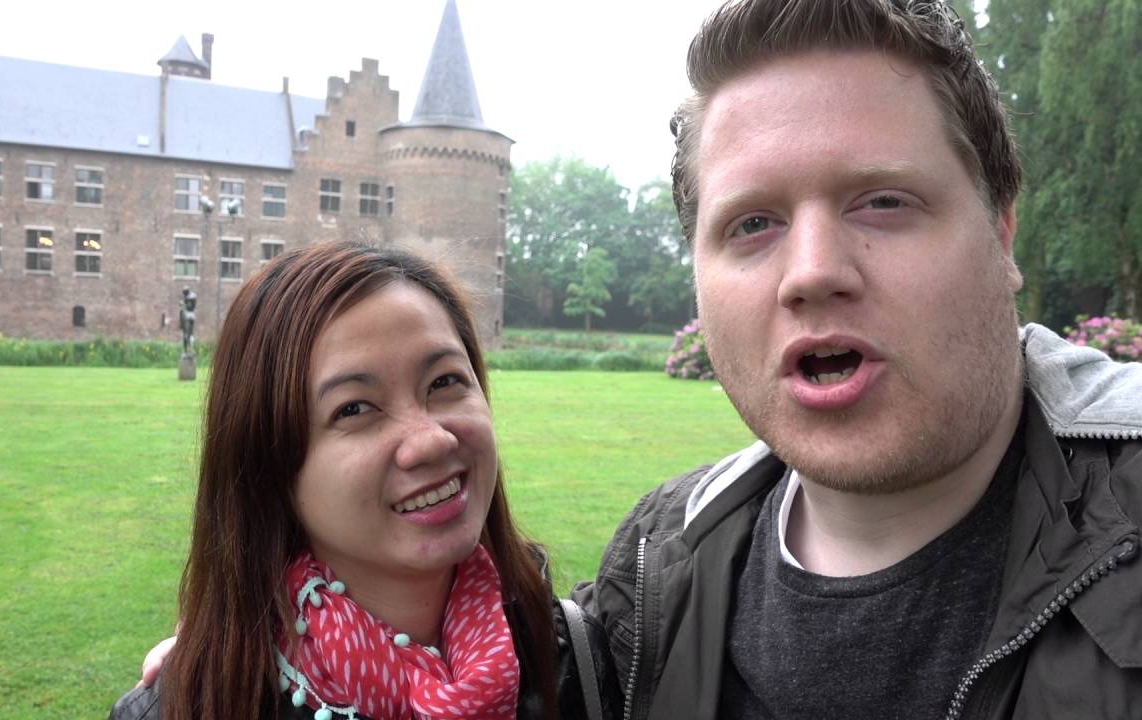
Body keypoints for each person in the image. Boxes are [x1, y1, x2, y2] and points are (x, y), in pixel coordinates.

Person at [573, 0, 1141, 718]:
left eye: (883, 202)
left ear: (1002, 233)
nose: (812, 272)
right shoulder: (652, 571)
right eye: (753, 223)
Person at [109, 241, 617, 720]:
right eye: (354, 408)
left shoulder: (579, 662)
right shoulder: (195, 705)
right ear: (267, 464)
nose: (431, 441)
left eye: (444, 381)